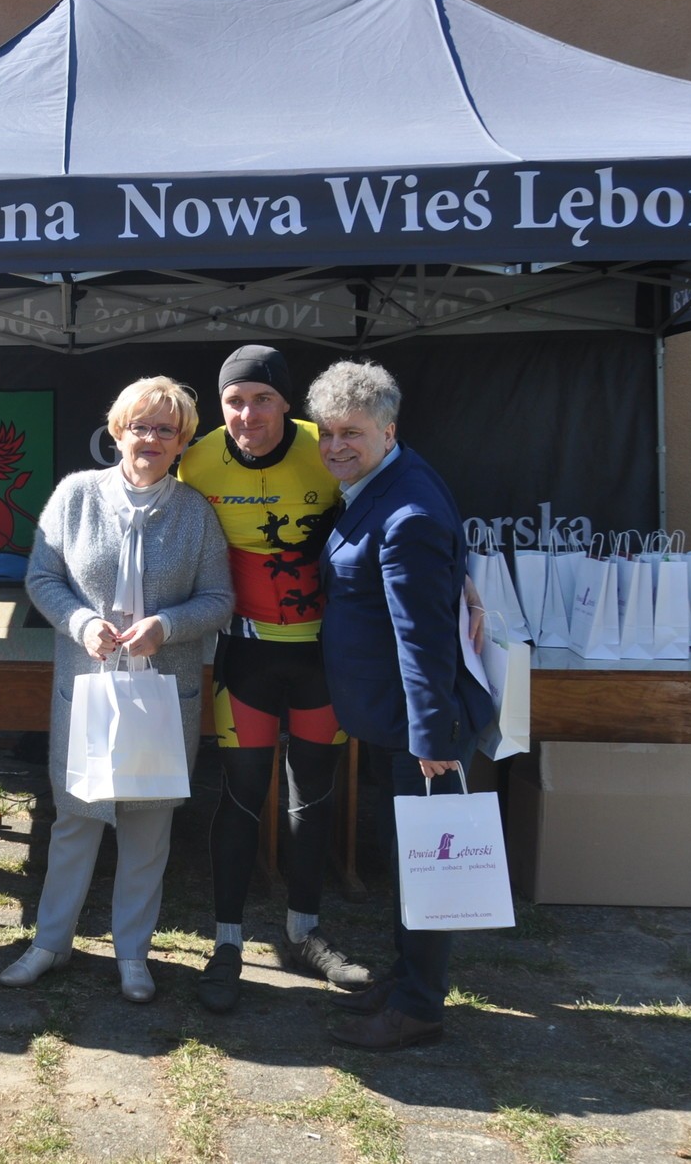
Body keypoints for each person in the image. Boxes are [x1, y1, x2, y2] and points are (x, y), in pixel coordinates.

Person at [3, 377, 232, 1002]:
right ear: (117, 432)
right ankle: (50, 943)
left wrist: (168, 626)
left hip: (163, 696)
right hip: (87, 692)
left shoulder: (196, 513)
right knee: (75, 821)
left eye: (166, 430)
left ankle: (133, 955)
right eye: (140, 426)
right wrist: (81, 623)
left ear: (182, 442)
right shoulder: (75, 496)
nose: (150, 439)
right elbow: (42, 578)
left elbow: (219, 599)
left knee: (148, 830)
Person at [175, 345, 371, 1013]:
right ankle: (227, 943)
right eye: (234, 400)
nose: (248, 413)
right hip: (246, 657)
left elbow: (399, 501)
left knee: (312, 797)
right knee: (239, 796)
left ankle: (304, 932)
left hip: (324, 658)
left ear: (288, 403)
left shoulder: (329, 445)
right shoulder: (197, 459)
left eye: (263, 399)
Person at [307, 360, 493, 1051]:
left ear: (388, 430)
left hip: (424, 730)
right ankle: (408, 977)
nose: (335, 447)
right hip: (399, 720)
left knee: (428, 866)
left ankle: (419, 1008)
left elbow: (422, 638)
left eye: (351, 433)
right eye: (326, 433)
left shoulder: (405, 509)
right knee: (410, 857)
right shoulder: (392, 479)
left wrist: (432, 736)